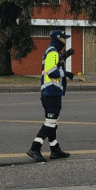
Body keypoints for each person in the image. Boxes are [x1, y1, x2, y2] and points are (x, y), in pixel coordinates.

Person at [27, 29, 76, 162]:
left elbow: (57, 63)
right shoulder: (53, 52)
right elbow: (52, 72)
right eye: (63, 38)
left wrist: (65, 56)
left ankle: (55, 149)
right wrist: (67, 74)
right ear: (58, 39)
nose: (65, 41)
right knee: (50, 122)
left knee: (53, 122)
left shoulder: (55, 52)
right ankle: (35, 148)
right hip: (51, 91)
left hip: (52, 92)